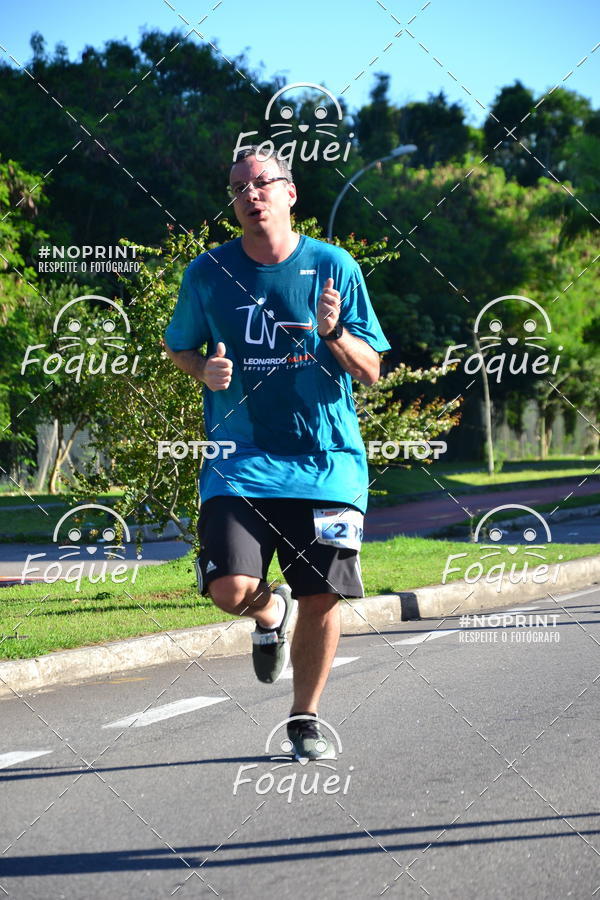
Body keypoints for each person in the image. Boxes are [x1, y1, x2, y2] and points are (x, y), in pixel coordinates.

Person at [164, 146, 390, 759]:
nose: (250, 195)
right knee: (230, 589)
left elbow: (371, 371)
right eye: (238, 188)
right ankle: (268, 615)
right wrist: (203, 371)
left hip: (327, 465)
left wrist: (335, 334)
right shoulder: (207, 273)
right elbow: (179, 347)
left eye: (262, 183)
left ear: (290, 193)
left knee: (322, 593)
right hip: (239, 463)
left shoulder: (334, 266)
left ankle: (305, 719)